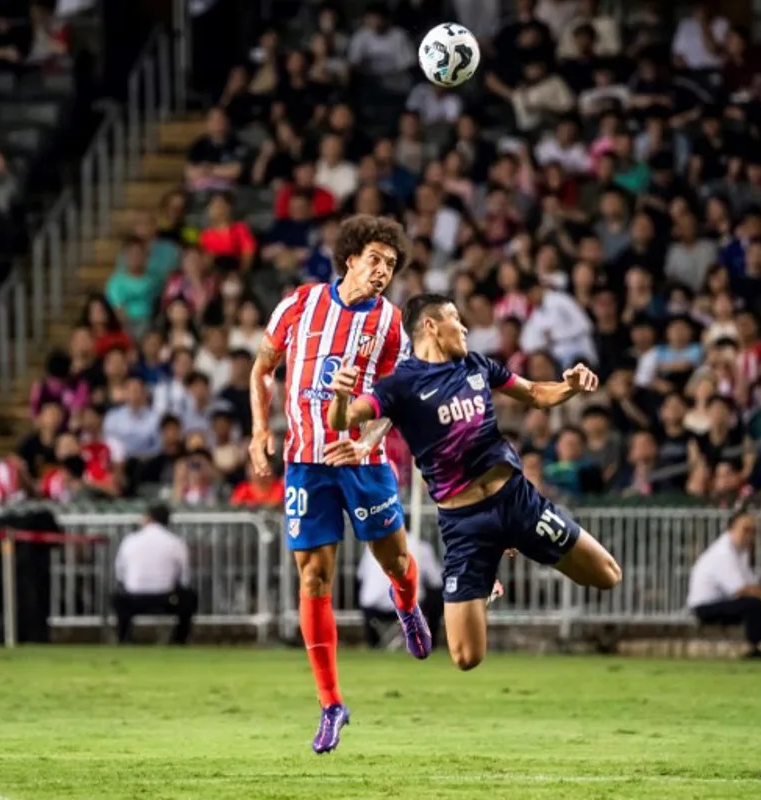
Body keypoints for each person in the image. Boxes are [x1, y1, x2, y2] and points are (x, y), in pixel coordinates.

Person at [327, 292, 622, 675]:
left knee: (607, 576)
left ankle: (513, 543)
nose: (465, 328)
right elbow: (342, 419)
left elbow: (533, 392)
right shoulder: (400, 386)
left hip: (517, 502)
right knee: (466, 657)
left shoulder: (476, 364)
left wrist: (569, 387)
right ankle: (487, 583)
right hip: (464, 524)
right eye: (456, 320)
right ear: (431, 325)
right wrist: (339, 395)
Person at [247, 215, 430, 755]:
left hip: (362, 461)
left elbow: (396, 400)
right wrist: (260, 432)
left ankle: (406, 602)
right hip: (305, 462)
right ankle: (331, 704)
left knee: (395, 561)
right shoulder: (298, 305)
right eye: (374, 259)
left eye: (390, 265)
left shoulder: (393, 325)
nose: (382, 271)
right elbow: (262, 370)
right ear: (350, 257)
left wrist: (367, 436)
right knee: (313, 577)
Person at [687, 509, 761, 658]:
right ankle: (755, 646)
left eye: (753, 532)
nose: (750, 536)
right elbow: (739, 589)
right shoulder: (723, 553)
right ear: (731, 529)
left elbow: (750, 583)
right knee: (753, 605)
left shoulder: (739, 552)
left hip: (722, 601)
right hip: (705, 606)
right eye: (746, 530)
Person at [112, 504, 197, 645]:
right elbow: (184, 576)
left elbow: (120, 572)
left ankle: (123, 637)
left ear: (148, 518)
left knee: (118, 598)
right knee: (190, 599)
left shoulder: (130, 540)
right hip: (165, 599)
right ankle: (179, 639)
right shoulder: (175, 542)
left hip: (133, 598)